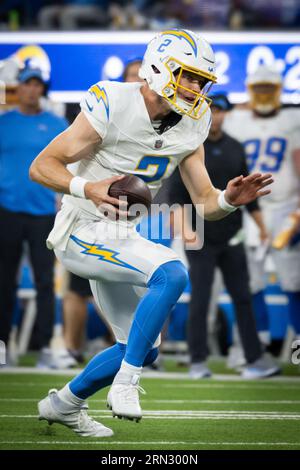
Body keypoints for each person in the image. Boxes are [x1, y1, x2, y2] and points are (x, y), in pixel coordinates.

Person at [30, 29, 273, 438]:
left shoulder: (194, 121)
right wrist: (87, 187)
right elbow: (42, 165)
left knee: (142, 344)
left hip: (119, 234)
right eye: (189, 76)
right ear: (159, 69)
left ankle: (64, 404)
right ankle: (126, 384)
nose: (196, 88)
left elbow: (206, 204)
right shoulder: (113, 101)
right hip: (82, 227)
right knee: (173, 272)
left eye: (201, 80)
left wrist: (229, 199)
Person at [168, 94, 280, 379]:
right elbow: (177, 197)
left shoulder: (235, 148)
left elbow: (248, 195)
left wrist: (262, 226)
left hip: (233, 237)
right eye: (212, 110)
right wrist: (186, 232)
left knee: (243, 296)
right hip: (201, 237)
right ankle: (197, 362)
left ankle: (254, 360)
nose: (216, 116)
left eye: (220, 111)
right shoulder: (190, 146)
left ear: (226, 114)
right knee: (201, 298)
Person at [60, 58, 144, 367]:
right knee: (77, 286)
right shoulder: (106, 112)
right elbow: (64, 160)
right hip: (88, 214)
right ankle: (71, 348)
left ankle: (121, 346)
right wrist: (79, 192)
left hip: (129, 220)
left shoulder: (162, 124)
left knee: (137, 284)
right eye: (132, 78)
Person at [224, 65, 300, 348]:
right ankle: (261, 344)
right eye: (260, 89)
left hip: (286, 208)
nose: (265, 95)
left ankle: (295, 347)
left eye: (270, 88)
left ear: (280, 90)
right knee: (251, 281)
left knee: (294, 280)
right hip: (249, 210)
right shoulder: (236, 120)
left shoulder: (293, 119)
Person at [0, 67, 68, 366]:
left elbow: (70, 166)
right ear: (18, 88)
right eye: (26, 84)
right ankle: (2, 349)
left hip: (43, 213)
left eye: (36, 84)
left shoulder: (56, 124)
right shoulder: (4, 123)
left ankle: (44, 349)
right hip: (6, 211)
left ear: (42, 89)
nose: (31, 89)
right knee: (4, 282)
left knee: (44, 282)